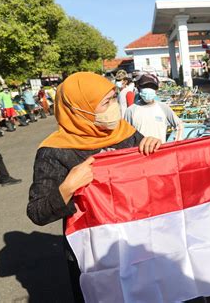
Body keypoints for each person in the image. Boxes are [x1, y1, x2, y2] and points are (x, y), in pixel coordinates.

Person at [27, 72, 162, 302]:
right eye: (106, 102)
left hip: (136, 239)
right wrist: (67, 188)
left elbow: (152, 176)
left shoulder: (126, 134)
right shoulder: (54, 151)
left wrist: (152, 147)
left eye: (113, 98)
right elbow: (37, 212)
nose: (114, 107)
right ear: (80, 109)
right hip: (94, 251)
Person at [125, 73, 184, 143]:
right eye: (145, 86)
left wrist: (177, 141)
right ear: (139, 88)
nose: (148, 89)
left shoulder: (163, 107)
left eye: (152, 87)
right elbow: (125, 134)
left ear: (156, 90)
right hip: (140, 152)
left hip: (160, 151)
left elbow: (179, 124)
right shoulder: (131, 110)